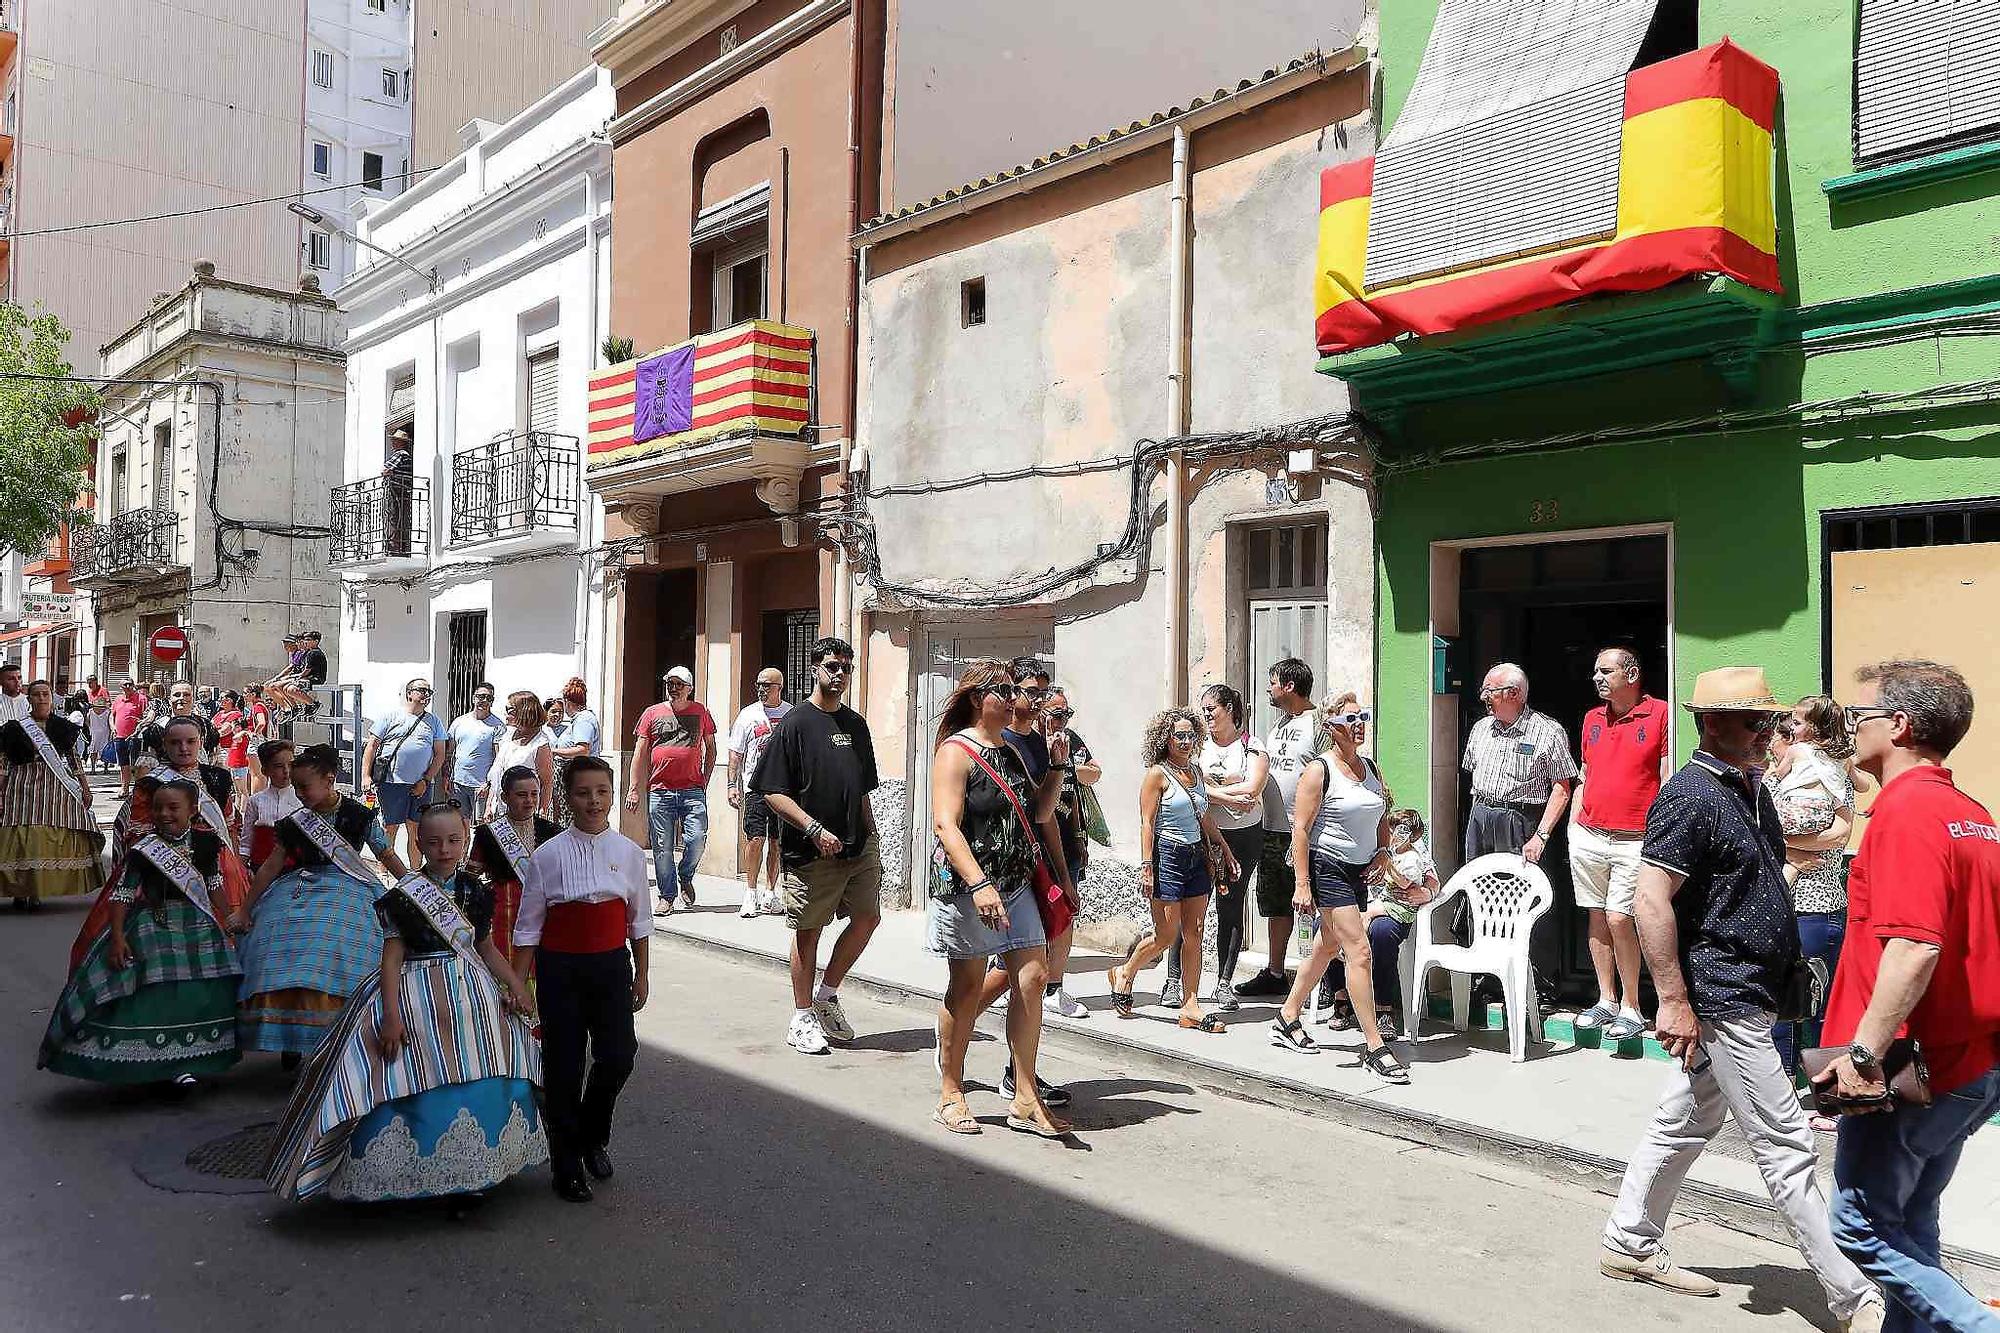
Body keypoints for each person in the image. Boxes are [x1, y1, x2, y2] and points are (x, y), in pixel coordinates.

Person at [1600, 667, 1882, 1329]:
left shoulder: (1751, 788)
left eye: (1771, 721)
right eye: (1754, 721)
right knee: (1787, 1145)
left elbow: (1749, 871)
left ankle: (1629, 1239)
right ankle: (1855, 1298)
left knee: (1685, 1119)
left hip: (1752, 991)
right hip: (1724, 998)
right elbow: (1650, 899)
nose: (1768, 732)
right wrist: (1671, 998)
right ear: (1713, 722)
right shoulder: (1690, 793)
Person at [1817, 661, 1999, 1332]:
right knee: (1912, 1216)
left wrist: (1862, 1055)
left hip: (1906, 1062)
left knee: (1859, 1223)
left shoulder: (1908, 811)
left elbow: (1915, 945)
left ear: (1899, 725)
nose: (1850, 727)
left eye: (1858, 716)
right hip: (1966, 1059)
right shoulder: (1971, 815)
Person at [265, 803, 544, 1209]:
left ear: (465, 838)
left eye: (453, 840)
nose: (444, 849)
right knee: (404, 1075)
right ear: (419, 843)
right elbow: (391, 959)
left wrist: (517, 984)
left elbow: (485, 948)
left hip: (472, 995)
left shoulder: (476, 892)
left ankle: (475, 1174)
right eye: (433, 842)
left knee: (487, 1069)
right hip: (416, 994)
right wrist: (391, 1016)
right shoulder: (404, 897)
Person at [926, 659, 1067, 1138]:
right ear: (975, 699)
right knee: (966, 988)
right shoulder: (955, 751)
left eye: (1013, 690)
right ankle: (951, 1089)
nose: (1013, 699)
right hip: (970, 887)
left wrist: (1057, 766)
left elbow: (1039, 812)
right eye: (1002, 691)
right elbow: (945, 824)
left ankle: (1025, 1096)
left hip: (1017, 882)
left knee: (1032, 976)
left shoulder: (1009, 749)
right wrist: (979, 883)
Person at [38, 780, 241, 1087]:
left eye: (173, 808)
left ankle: (192, 1061)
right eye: (158, 807)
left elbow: (213, 886)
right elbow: (122, 895)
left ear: (193, 810)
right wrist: (117, 938)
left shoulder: (207, 843)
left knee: (202, 992)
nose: (163, 814)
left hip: (198, 926)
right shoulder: (143, 850)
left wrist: (228, 920)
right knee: (152, 993)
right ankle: (153, 1063)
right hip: (152, 925)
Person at [516, 757, 651, 1204]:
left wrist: (642, 974)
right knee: (564, 1065)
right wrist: (519, 984)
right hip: (561, 969)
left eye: (602, 792)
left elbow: (639, 921)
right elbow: (528, 926)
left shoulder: (629, 852)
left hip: (611, 966)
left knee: (618, 1057)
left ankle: (593, 1134)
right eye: (583, 793)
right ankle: (566, 1163)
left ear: (613, 795)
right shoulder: (547, 856)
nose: (594, 801)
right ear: (568, 798)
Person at [234, 744, 409, 1065]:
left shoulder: (358, 815)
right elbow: (272, 866)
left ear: (329, 780)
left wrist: (412, 885)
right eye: (296, 787)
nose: (298, 794)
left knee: (336, 952)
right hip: (298, 886)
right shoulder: (294, 822)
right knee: (277, 947)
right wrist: (246, 909)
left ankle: (339, 1034)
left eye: (304, 787)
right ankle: (290, 1035)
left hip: (349, 889)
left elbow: (385, 853)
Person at [751, 638, 884, 1056]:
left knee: (867, 918)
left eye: (845, 667)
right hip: (811, 852)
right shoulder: (794, 724)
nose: (839, 673)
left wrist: (872, 834)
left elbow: (862, 789)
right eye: (831, 665)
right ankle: (802, 1015)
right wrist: (812, 829)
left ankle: (826, 995)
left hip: (857, 847)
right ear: (813, 669)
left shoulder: (855, 725)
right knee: (809, 931)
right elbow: (772, 791)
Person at [1268, 699, 1409, 1083]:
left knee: (1327, 948)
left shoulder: (1371, 768)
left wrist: (1383, 851)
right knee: (1358, 951)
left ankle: (1286, 1016)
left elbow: (1382, 812)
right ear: (1332, 726)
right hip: (1327, 866)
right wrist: (1301, 884)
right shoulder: (1320, 770)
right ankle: (1375, 1046)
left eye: (1363, 716)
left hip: (1358, 870)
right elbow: (1300, 829)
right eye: (1351, 719)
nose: (1360, 724)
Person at [69, 715, 248, 974]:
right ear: (165, 745)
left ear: (201, 743)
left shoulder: (218, 777)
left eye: (190, 742)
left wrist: (237, 862)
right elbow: (139, 828)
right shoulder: (150, 782)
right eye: (176, 743)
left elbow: (229, 824)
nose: (183, 748)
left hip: (216, 861)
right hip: (159, 862)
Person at [1106, 707, 1240, 1031]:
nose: (1185, 740)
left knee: (1194, 933)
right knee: (1167, 934)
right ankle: (1125, 972)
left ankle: (1190, 1005)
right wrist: (1147, 865)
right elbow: (1147, 823)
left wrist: (1222, 845)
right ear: (1165, 738)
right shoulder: (1157, 774)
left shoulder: (1195, 772)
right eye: (1178, 735)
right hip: (1167, 856)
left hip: (1196, 857)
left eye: (1190, 735)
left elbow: (1204, 814)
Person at [1571, 648, 1671, 1044]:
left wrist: (1661, 834)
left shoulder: (1660, 713)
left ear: (1631, 674)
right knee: (1596, 915)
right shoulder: (1592, 718)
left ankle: (1632, 1005)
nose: (1597, 677)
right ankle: (1606, 999)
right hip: (1590, 835)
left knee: (1619, 918)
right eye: (1595, 670)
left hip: (1636, 838)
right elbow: (1584, 774)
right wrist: (1574, 829)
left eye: (1605, 671)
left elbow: (1665, 776)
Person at [1765, 698, 1857, 1077]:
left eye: (1773, 740)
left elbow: (1840, 833)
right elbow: (1757, 832)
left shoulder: (1832, 775)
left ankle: (1828, 1091)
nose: (1769, 747)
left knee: (1817, 1004)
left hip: (1818, 906)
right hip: (1782, 903)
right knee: (1783, 1002)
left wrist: (1787, 848)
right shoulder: (1775, 785)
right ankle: (1782, 1085)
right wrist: (1787, 849)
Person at [1236, 658, 1326, 999]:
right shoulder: (1278, 726)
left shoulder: (1317, 724)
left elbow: (1326, 775)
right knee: (1275, 904)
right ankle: (1275, 972)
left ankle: (1324, 983)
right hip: (1271, 830)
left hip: (1304, 832)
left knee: (1314, 905)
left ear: (1289, 686)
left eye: (1273, 682)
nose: (1269, 688)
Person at [1189, 689, 1270, 1003]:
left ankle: (1224, 981)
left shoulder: (1252, 746)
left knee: (1231, 905)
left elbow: (1252, 790)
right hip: (1203, 834)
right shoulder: (1196, 746)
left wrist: (1210, 786)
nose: (1207, 714)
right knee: (1192, 903)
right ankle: (1175, 980)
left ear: (1230, 709)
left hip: (1242, 836)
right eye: (1204, 709)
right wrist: (1224, 791)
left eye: (1212, 709)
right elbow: (1189, 787)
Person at [0, 680, 106, 909]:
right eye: (36, 695)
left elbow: (74, 760)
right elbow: (4, 761)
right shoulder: (14, 728)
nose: (41, 698)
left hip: (56, 786)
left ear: (51, 697)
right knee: (22, 835)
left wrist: (85, 787)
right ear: (29, 700)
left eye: (45, 694)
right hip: (22, 784)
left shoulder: (63, 727)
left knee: (53, 831)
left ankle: (37, 890)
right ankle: (21, 889)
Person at [624, 665, 716, 913]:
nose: (673, 689)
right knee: (662, 847)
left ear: (689, 688)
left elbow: (711, 748)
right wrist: (633, 788)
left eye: (679, 684)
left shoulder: (700, 712)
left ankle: (685, 875)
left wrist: (704, 779)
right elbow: (640, 753)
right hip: (660, 790)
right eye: (670, 684)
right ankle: (667, 896)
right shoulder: (651, 713)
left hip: (692, 789)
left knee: (697, 839)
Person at [1462, 663, 1576, 863]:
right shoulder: (1480, 728)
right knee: (1478, 883)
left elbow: (1562, 790)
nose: (1482, 697)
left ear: (1513, 693)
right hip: (1479, 817)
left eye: (1489, 691)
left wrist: (1540, 836)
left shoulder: (1548, 731)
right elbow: (1473, 778)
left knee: (1515, 887)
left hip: (1519, 821)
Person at [1347, 808, 1441, 1034]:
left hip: (1392, 909)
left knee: (1381, 932)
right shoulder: (1351, 833)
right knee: (1328, 924)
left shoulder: (1407, 846)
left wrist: (1427, 893)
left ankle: (1383, 1009)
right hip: (1358, 901)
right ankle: (1342, 1001)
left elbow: (1430, 878)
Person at [1042, 686, 1101, 1019]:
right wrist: (1055, 765)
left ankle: (1054, 987)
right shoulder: (1031, 743)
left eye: (1068, 713)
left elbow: (1093, 773)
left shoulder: (1071, 740)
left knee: (1065, 915)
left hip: (1068, 840)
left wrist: (1065, 767)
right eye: (1058, 713)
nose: (1064, 719)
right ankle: (1006, 980)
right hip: (1035, 846)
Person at [468, 765, 559, 972]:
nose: (529, 801)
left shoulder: (552, 832)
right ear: (504, 797)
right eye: (521, 795)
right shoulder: (487, 834)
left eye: (534, 794)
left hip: (542, 916)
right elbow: (470, 879)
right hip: (502, 917)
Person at [727, 668, 792, 918]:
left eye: (767, 685)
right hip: (755, 787)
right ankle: (750, 893)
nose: (762, 689)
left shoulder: (790, 714)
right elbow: (735, 753)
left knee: (777, 842)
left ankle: (770, 892)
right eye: (759, 685)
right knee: (755, 839)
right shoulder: (748, 715)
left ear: (780, 687)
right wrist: (732, 785)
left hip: (783, 789)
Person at [362, 678, 448, 865]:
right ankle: (384, 871)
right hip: (392, 783)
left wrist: (426, 780)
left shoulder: (434, 722)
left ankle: (415, 873)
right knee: (390, 827)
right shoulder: (390, 717)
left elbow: (440, 754)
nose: (426, 695)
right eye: (422, 691)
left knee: (416, 829)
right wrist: (366, 776)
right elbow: (372, 746)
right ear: (409, 693)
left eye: (429, 692)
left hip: (421, 785)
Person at [484, 691, 555, 822]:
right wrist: (489, 805)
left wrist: (542, 813)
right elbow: (498, 772)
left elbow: (547, 783)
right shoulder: (507, 736)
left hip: (525, 814)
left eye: (509, 710)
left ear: (524, 712)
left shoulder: (540, 744)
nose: (505, 713)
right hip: (500, 810)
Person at [238, 739, 303, 868]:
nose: (286, 771)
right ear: (265, 770)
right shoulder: (256, 800)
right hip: (261, 868)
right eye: (279, 766)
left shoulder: (303, 799)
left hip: (295, 870)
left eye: (290, 765)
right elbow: (247, 841)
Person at [444, 682, 503, 818]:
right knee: (458, 825)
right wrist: (446, 776)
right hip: (458, 784)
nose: (484, 701)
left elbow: (499, 759)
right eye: (481, 696)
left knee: (482, 828)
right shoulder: (459, 722)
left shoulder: (498, 726)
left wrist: (489, 784)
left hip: (481, 787)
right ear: (473, 698)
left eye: (489, 698)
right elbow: (449, 752)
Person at [550, 677, 600, 827]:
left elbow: (582, 750)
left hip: (577, 775)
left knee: (571, 819)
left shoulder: (583, 720)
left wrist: (555, 752)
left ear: (568, 702)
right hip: (573, 775)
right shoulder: (579, 719)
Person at [111, 679, 146, 797]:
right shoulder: (117, 699)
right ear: (120, 686)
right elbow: (112, 715)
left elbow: (146, 716)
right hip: (120, 737)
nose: (128, 686)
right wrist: (113, 727)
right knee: (123, 764)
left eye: (130, 684)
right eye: (125, 684)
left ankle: (138, 789)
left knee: (136, 765)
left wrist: (139, 727)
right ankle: (124, 788)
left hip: (135, 737)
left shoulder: (141, 699)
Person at [86, 693, 114, 774]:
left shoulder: (90, 712)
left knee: (93, 751)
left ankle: (93, 769)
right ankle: (105, 768)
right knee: (105, 751)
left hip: (94, 732)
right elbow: (110, 722)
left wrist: (90, 728)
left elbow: (87, 721)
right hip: (105, 732)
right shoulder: (108, 712)